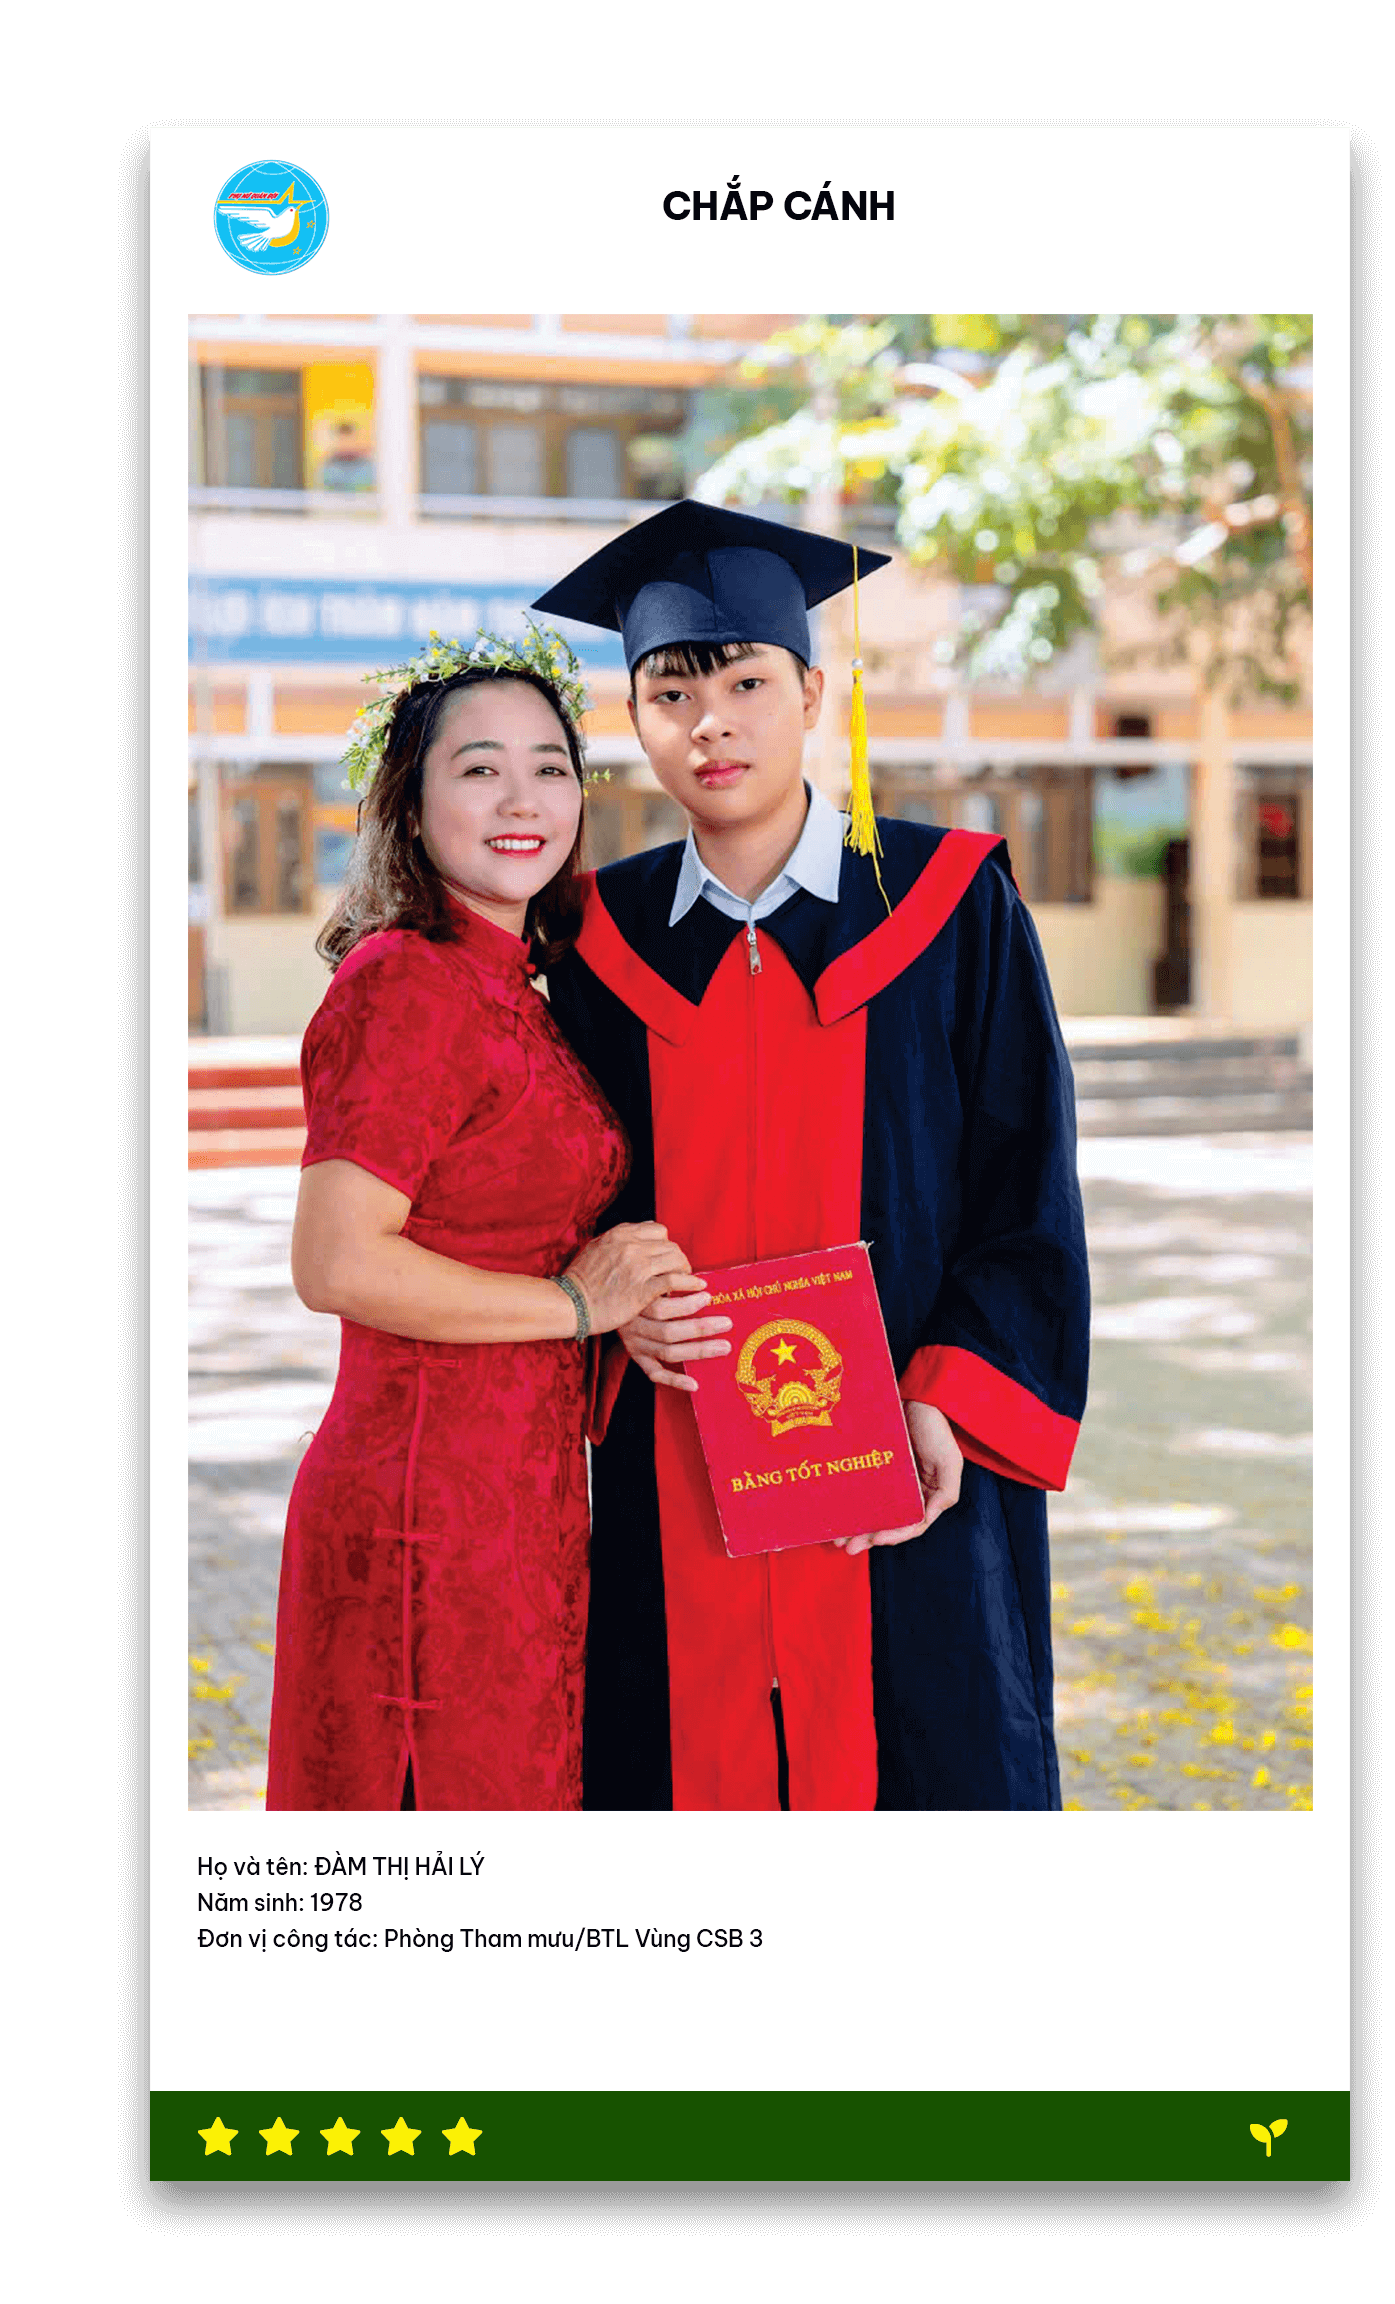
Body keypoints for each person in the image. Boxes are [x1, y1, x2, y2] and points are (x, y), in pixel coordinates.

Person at [534, 501, 1091, 1811]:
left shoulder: (949, 907)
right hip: (677, 1461)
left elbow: (1028, 1189)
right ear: (635, 717)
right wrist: (605, 1311)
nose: (710, 723)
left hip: (904, 1454)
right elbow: (554, 1190)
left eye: (744, 683)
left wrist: (947, 1401)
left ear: (812, 694)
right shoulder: (597, 942)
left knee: (923, 1766)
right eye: (672, 692)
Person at [264, 625, 701, 1811]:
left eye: (550, 768)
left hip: (521, 1502)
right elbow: (336, 1261)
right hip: (421, 1509)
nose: (523, 800)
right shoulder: (405, 982)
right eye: (479, 768)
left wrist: (619, 1308)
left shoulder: (513, 988)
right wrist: (575, 1305)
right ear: (410, 808)